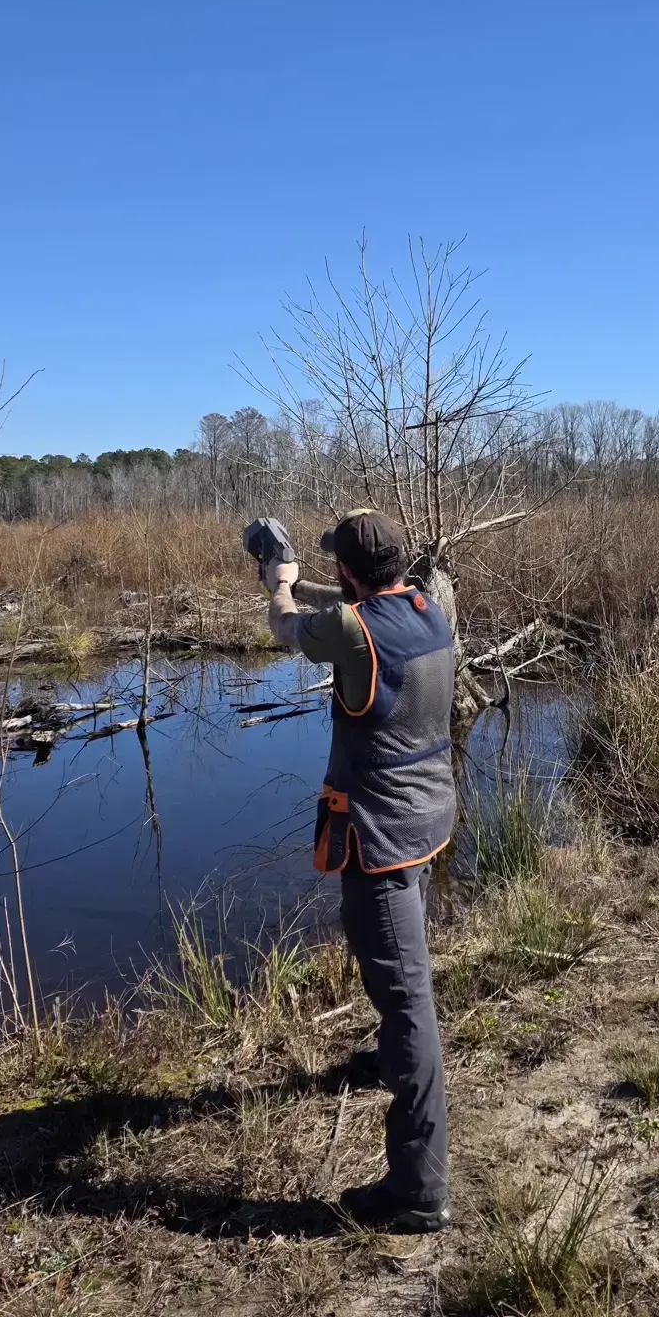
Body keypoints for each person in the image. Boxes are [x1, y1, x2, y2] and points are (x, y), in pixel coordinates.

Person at [264, 508, 455, 1233]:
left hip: (378, 835)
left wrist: (280, 587)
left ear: (347, 571)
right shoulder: (427, 607)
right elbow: (349, 611)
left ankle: (419, 1189)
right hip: (429, 819)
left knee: (409, 1003)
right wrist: (306, 580)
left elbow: (287, 627)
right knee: (404, 972)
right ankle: (389, 1059)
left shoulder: (351, 629)